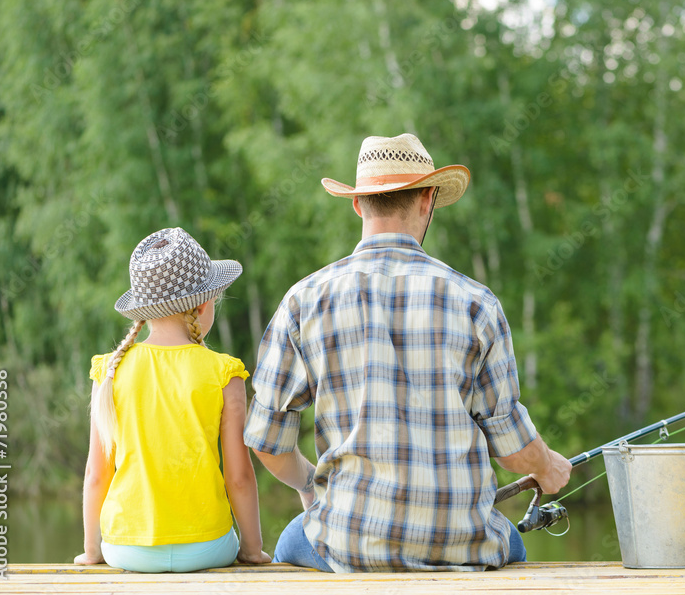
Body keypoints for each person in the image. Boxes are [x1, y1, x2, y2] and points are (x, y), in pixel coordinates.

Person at [244, 133, 572, 573]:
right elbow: (512, 450)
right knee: (509, 539)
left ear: (359, 204)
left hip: (347, 543)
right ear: (427, 200)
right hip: (463, 543)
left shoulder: (304, 301)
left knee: (291, 538)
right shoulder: (476, 303)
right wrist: (549, 467)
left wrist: (310, 487)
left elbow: (268, 442)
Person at [75, 227, 271, 572]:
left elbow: (96, 473)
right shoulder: (225, 373)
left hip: (126, 548)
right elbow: (239, 476)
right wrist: (252, 549)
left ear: (144, 309)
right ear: (204, 303)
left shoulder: (111, 370)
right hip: (208, 547)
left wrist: (93, 551)